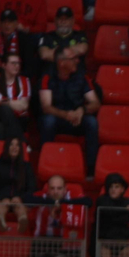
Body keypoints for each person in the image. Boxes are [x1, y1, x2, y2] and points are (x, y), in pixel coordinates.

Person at [38, 48, 99, 178]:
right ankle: (46, 163)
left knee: (92, 123)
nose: (77, 61)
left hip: (78, 118)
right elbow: (46, 107)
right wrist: (65, 115)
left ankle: (91, 170)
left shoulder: (82, 77)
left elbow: (95, 103)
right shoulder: (47, 77)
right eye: (73, 59)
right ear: (61, 62)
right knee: (47, 121)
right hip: (58, 118)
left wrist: (82, 110)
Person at [0, 132, 32, 227]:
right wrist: (3, 198)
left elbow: (32, 188)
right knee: (2, 206)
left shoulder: (27, 167)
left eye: (17, 145)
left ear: (20, 149)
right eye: (11, 144)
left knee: (20, 207)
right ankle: (0, 222)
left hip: (20, 200)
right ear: (6, 147)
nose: (14, 147)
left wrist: (20, 198)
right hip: (0, 199)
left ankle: (22, 222)